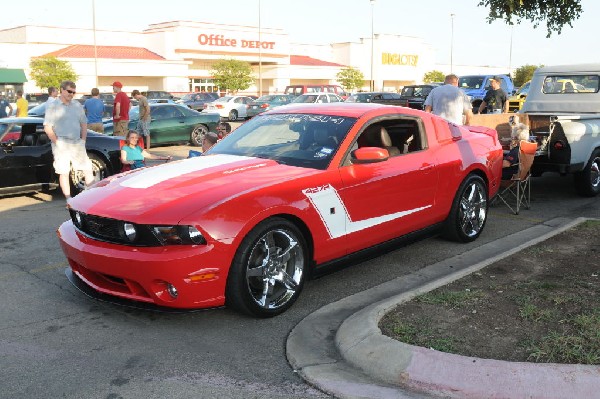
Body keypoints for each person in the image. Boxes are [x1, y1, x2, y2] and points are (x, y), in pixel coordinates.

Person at [43, 80, 94, 202]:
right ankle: (68, 199)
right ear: (61, 90)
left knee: (87, 168)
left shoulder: (77, 105)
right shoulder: (53, 106)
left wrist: (83, 140)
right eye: (69, 91)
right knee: (64, 171)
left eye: (73, 92)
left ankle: (92, 196)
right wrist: (57, 142)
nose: (71, 94)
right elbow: (47, 127)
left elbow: (84, 123)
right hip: (61, 143)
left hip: (77, 143)